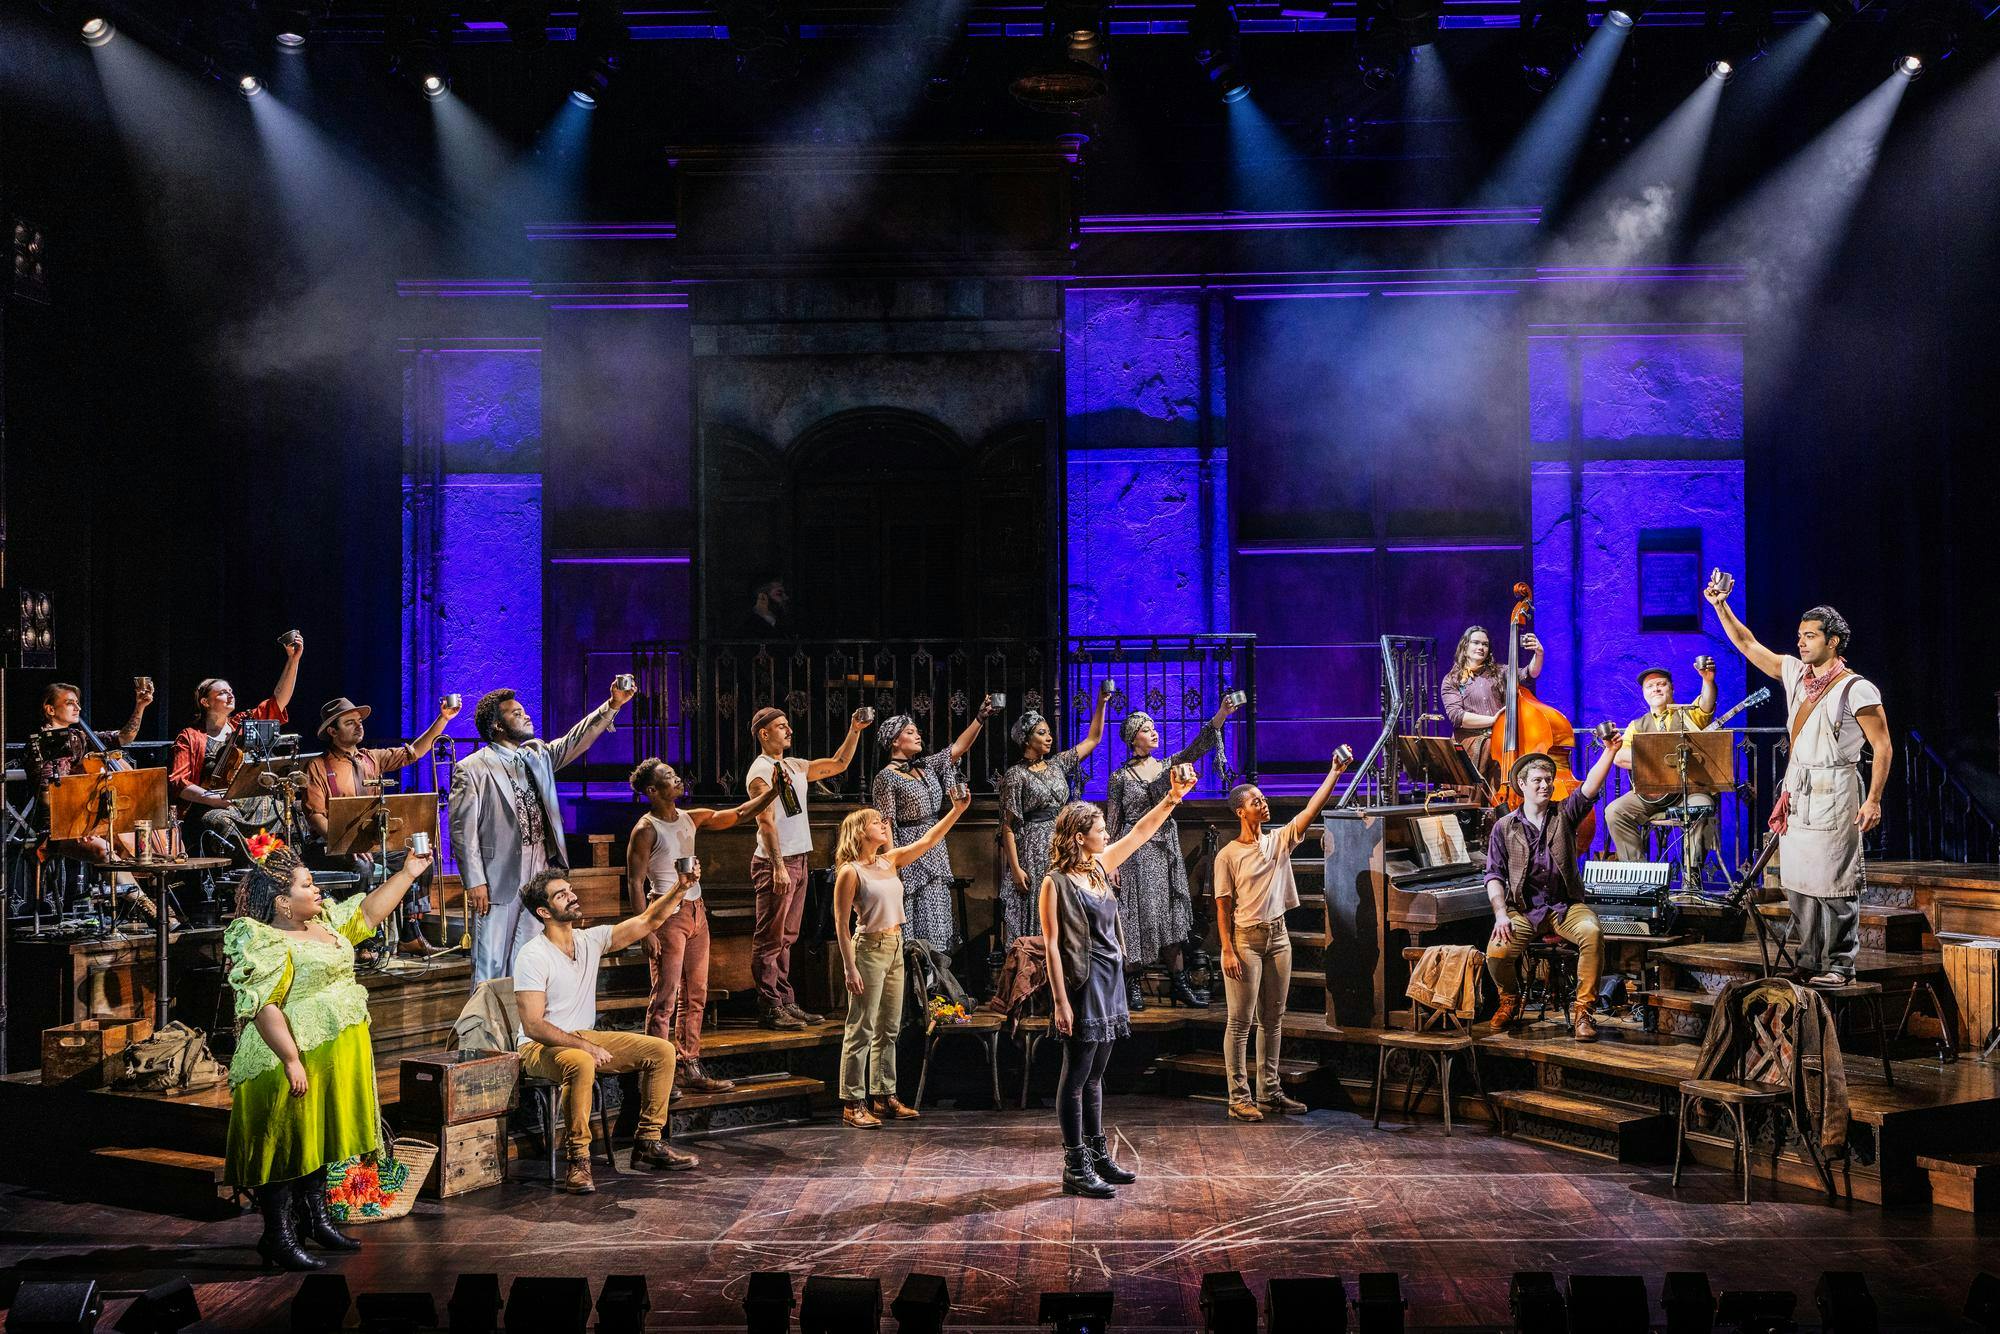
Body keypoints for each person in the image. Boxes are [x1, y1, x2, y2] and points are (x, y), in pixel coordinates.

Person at [222, 832, 434, 1270]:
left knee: (316, 1139)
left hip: (332, 1051)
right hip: (285, 1056)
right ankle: (277, 1236)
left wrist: (408, 872)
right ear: (282, 902)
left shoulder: (325, 925)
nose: (317, 889)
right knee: (287, 1143)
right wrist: (290, 1058)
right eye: (306, 885)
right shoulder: (262, 939)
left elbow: (367, 911)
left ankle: (317, 1220)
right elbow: (264, 1007)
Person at [1705, 571, 1889, 985]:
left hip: (1837, 788)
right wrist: (1720, 605)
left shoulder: (1856, 689)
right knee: (1801, 882)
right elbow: (1748, 644)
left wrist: (1873, 799)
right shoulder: (1793, 674)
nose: (1801, 641)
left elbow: (1883, 747)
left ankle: (1840, 963)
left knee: (1835, 882)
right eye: (1800, 635)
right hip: (1800, 789)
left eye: (1810, 635)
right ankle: (1809, 957)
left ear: (1833, 641)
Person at [1041, 766, 1198, 1199]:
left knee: (1096, 1077)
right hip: (1082, 982)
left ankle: (1097, 1154)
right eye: (1101, 829)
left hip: (1110, 976)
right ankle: (1074, 1163)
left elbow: (1141, 834)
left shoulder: (1098, 867)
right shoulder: (1055, 883)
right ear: (1079, 836)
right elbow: (1053, 946)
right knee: (1076, 1075)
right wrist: (1060, 1001)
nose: (1108, 834)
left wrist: (1171, 798)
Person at [513, 868, 701, 1194]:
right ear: (544, 912)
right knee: (581, 1062)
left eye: (569, 890)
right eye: (561, 895)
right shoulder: (533, 955)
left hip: (583, 1036)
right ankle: (578, 1160)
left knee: (661, 1050)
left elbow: (647, 922)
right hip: (537, 1046)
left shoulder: (589, 940)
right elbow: (534, 1025)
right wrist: (584, 1047)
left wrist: (681, 888)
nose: (572, 896)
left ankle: (648, 1143)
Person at [451, 679, 636, 987]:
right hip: (498, 877)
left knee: (528, 957)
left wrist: (613, 705)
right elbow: (462, 830)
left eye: (524, 711)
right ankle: (486, 1033)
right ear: (497, 725)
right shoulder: (472, 768)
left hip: (539, 870)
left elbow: (575, 740)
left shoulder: (536, 756)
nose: (526, 716)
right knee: (491, 962)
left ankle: (525, 1030)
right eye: (516, 713)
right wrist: (475, 881)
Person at [625, 758, 780, 1094]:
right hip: (666, 914)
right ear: (652, 790)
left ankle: (688, 1063)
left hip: (696, 911)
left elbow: (738, 814)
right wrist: (645, 930)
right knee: (665, 995)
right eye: (668, 777)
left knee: (696, 995)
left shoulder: (688, 818)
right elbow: (635, 883)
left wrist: (774, 793)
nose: (677, 778)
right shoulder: (646, 829)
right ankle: (655, 1071)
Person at [1215, 745, 1353, 1122]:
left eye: (1263, 799)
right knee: (1240, 1021)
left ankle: (1270, 1091)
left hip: (1278, 938)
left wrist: (1334, 773)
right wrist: (1226, 950)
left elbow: (1310, 811)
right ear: (1241, 811)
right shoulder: (1228, 855)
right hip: (1246, 941)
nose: (1265, 804)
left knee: (1273, 1018)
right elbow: (1223, 906)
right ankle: (1237, 1097)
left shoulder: (1277, 841)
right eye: (1257, 801)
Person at [831, 787, 972, 1128]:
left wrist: (956, 810)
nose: (883, 825)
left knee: (889, 1027)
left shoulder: (889, 860)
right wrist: (849, 966)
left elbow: (928, 840)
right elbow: (840, 921)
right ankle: (853, 1102)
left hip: (896, 944)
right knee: (861, 1026)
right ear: (860, 831)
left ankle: (884, 1096)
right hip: (869, 948)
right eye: (876, 822)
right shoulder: (851, 871)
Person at [1483, 736, 1623, 1041]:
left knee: (1592, 932)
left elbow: (1590, 788)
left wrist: (1610, 751)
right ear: (1521, 784)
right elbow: (1494, 875)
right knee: (1496, 952)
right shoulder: (1504, 827)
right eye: (1537, 780)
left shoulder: (1564, 814)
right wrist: (1500, 914)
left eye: (1548, 779)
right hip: (1523, 910)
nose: (1545, 785)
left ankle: (1583, 1010)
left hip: (1564, 906)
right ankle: (1510, 998)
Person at [1106, 697, 1238, 1010]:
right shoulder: (1120, 777)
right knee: (1136, 916)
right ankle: (1133, 983)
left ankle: (1179, 982)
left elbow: (1197, 748)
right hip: (1135, 852)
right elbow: (1112, 821)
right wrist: (1110, 861)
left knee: (1170, 915)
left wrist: (1221, 713)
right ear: (1132, 738)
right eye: (1146, 729)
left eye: (1154, 728)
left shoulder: (1168, 767)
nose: (1154, 733)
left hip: (1165, 848)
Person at [303, 694, 458, 954]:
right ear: (332, 731)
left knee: (418, 857)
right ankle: (360, 939)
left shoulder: (371, 758)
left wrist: (443, 719)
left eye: (359, 721)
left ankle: (409, 933)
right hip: (331, 846)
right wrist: (345, 843)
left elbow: (416, 752)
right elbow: (315, 815)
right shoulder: (318, 766)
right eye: (349, 722)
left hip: (372, 842)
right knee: (362, 867)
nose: (358, 725)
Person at [745, 704, 867, 1029]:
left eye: (787, 725)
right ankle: (770, 1006)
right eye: (782, 726)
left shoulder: (793, 765)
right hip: (777, 861)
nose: (789, 730)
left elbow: (839, 764)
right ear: (764, 733)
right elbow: (766, 823)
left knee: (788, 935)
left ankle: (785, 1001)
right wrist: (777, 866)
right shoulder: (761, 772)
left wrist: (853, 730)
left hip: (798, 857)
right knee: (771, 937)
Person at [868, 698, 996, 951]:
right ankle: (915, 977)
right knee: (915, 914)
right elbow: (887, 823)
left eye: (917, 731)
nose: (918, 736)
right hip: (909, 849)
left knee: (937, 912)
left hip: (935, 847)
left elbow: (957, 748)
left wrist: (980, 718)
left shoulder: (925, 766)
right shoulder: (886, 777)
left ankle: (935, 976)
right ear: (895, 741)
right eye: (910, 732)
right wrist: (893, 867)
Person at [996, 681, 1114, 945]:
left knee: (1067, 901)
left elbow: (1093, 739)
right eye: (1041, 732)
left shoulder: (1058, 764)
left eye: (1049, 732)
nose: (1049, 737)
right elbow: (1008, 826)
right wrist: (1015, 868)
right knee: (1041, 903)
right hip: (1033, 847)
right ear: (1027, 739)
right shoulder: (1015, 775)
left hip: (1062, 841)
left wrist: (1101, 702)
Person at [169, 634, 305, 861]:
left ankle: (284, 872)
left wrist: (293, 660)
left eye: (231, 691)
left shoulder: (243, 724)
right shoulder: (189, 737)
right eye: (222, 692)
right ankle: (251, 872)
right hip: (215, 806)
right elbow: (179, 783)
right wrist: (213, 799)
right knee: (219, 823)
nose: (230, 694)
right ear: (205, 702)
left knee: (293, 812)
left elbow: (278, 701)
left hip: (252, 801)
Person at [26, 678, 155, 875]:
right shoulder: (38, 745)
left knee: (138, 850)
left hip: (89, 820)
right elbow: (47, 796)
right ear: (50, 709)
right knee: (105, 852)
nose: (77, 707)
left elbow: (123, 737)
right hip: (58, 826)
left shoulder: (79, 737)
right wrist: (77, 824)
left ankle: (136, 899)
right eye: (70, 703)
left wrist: (141, 706)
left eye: (77, 702)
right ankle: (142, 903)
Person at [1604, 660, 1719, 868]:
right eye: (1650, 686)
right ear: (1644, 693)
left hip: (1689, 792)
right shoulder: (1637, 725)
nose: (1656, 688)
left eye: (1661, 684)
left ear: (1672, 688)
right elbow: (1620, 756)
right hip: (1651, 795)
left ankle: (1691, 876)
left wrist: (1707, 681)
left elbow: (1706, 704)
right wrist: (1661, 758)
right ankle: (1638, 874)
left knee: (1703, 806)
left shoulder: (1689, 713)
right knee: (1614, 811)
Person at [1440, 624, 1543, 783]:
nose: (1481, 647)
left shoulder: (1500, 672)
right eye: (1476, 642)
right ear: (1465, 646)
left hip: (1499, 743)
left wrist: (1539, 653)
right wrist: (1493, 720)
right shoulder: (1451, 679)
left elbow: (1529, 674)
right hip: (1470, 744)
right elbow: (1457, 717)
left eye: (1485, 644)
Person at [731, 576, 793, 640]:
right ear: (762, 597)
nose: (786, 598)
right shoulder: (750, 628)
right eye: (779, 593)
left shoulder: (782, 623)